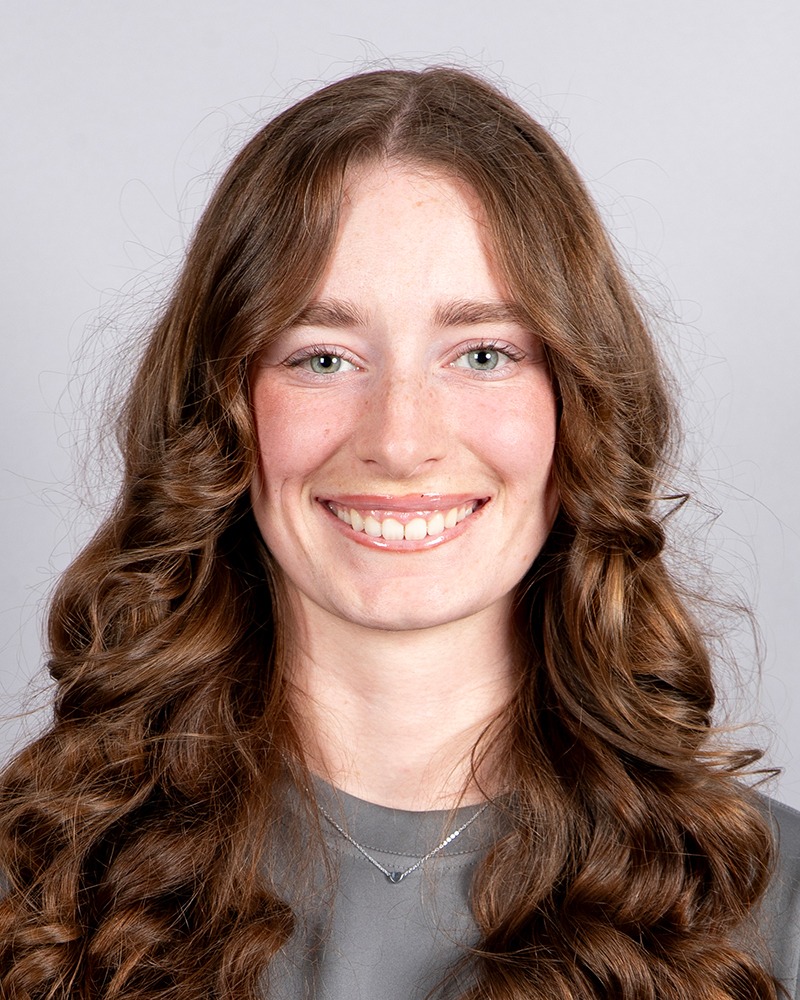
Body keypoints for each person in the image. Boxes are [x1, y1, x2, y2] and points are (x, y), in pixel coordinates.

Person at [1, 66, 799, 1000]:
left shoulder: (770, 906)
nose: (400, 440)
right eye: (323, 356)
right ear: (220, 411)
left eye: (484, 354)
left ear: (578, 408)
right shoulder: (37, 888)